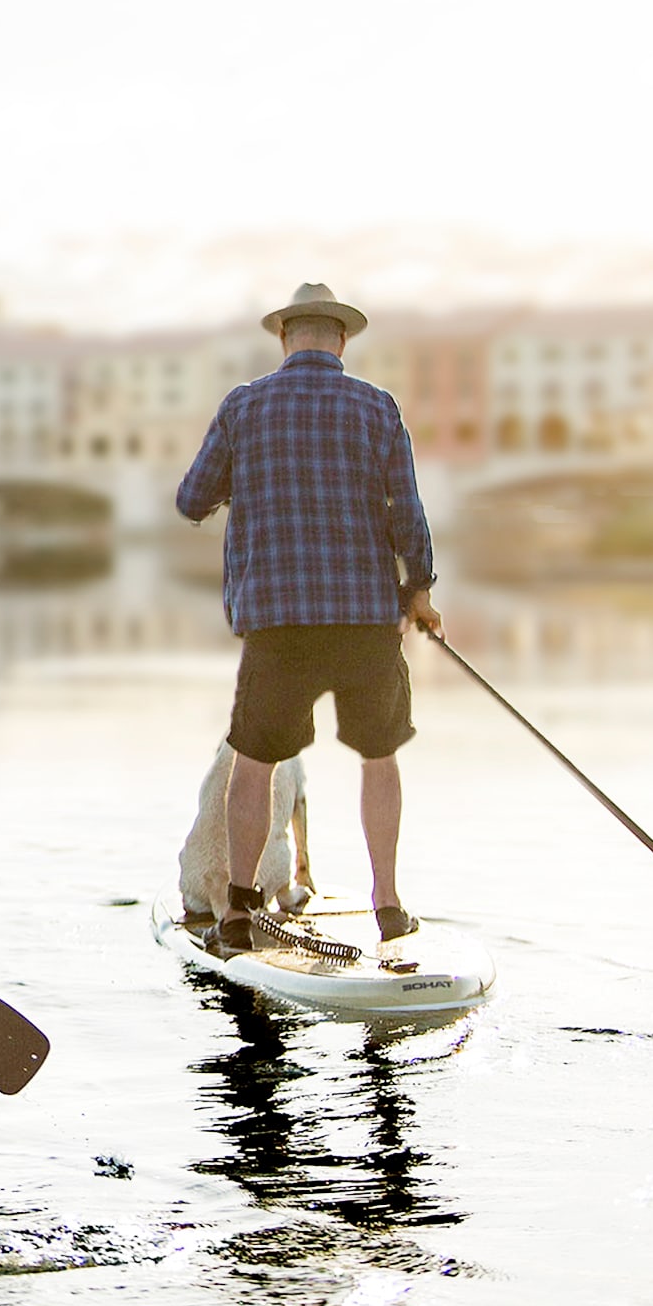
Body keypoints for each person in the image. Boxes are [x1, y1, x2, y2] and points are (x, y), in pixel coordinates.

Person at [176, 282, 441, 954]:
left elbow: (190, 499)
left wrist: (244, 481)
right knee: (378, 759)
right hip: (365, 621)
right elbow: (408, 514)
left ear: (285, 337)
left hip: (278, 623)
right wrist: (421, 590)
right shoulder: (377, 407)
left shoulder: (243, 406)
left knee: (255, 761)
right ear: (343, 341)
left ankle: (238, 909)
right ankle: (387, 903)